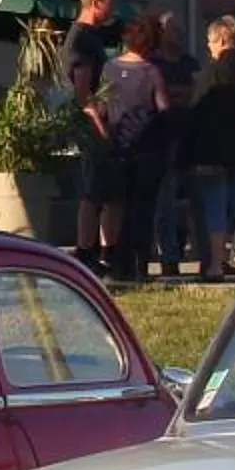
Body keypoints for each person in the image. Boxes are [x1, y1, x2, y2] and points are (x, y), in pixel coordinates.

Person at [182, 19, 235, 282]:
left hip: (214, 152)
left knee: (215, 208)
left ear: (220, 39)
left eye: (210, 42)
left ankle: (216, 265)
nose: (209, 47)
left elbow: (198, 111)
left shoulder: (212, 72)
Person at [93, 16, 171, 279]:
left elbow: (102, 107)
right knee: (144, 209)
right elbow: (163, 109)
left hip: (117, 147)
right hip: (147, 148)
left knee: (119, 206)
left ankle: (118, 262)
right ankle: (140, 265)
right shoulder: (151, 72)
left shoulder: (109, 68)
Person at [64, 0, 122, 269]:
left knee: (105, 192)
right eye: (110, 2)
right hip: (93, 127)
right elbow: (82, 91)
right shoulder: (83, 40)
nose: (113, 9)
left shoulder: (85, 36)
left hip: (95, 124)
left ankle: (103, 250)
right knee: (95, 192)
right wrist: (101, 127)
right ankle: (88, 250)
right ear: (97, 2)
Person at [149, 9, 202, 274]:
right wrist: (177, 92)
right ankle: (168, 255)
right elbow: (159, 95)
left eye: (180, 30)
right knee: (165, 201)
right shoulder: (153, 63)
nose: (179, 34)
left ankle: (202, 253)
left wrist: (175, 92)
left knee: (198, 198)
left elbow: (197, 91)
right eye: (173, 30)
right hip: (163, 139)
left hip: (191, 137)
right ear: (161, 33)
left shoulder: (189, 63)